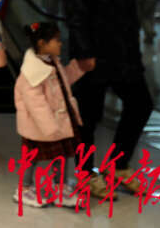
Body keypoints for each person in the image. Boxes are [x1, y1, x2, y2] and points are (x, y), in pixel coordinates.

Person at [66, 0, 153, 198]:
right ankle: (85, 175)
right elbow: (76, 6)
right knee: (88, 116)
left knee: (141, 103)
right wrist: (83, 51)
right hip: (95, 49)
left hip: (121, 50)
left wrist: (133, 45)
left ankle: (117, 165)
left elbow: (126, 7)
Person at [13, 22, 94, 208]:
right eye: (56, 40)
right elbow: (36, 104)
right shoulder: (31, 72)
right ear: (42, 43)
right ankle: (24, 188)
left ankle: (59, 187)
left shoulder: (51, 62)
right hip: (40, 124)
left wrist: (79, 68)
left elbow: (62, 81)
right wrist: (50, 127)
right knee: (32, 156)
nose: (60, 43)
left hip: (57, 120)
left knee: (61, 155)